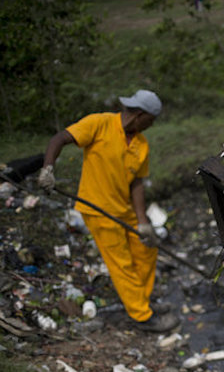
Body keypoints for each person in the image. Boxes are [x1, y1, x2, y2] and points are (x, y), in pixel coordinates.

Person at [38, 89, 179, 333]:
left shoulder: (141, 144)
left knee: (146, 250)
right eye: (151, 120)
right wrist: (48, 169)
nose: (152, 125)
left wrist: (143, 221)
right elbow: (59, 139)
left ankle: (141, 302)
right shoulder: (99, 124)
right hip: (98, 209)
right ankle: (142, 317)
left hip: (124, 209)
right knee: (121, 262)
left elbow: (136, 183)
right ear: (140, 115)